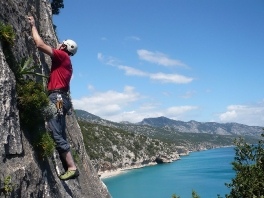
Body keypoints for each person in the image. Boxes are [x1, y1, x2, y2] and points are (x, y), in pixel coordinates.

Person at [28, 16, 79, 180]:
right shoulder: (66, 63)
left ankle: (71, 167)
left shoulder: (62, 56)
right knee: (58, 130)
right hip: (60, 99)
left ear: (64, 46)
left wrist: (33, 26)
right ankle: (68, 164)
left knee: (56, 132)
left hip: (57, 99)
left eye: (61, 43)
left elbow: (40, 45)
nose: (58, 44)